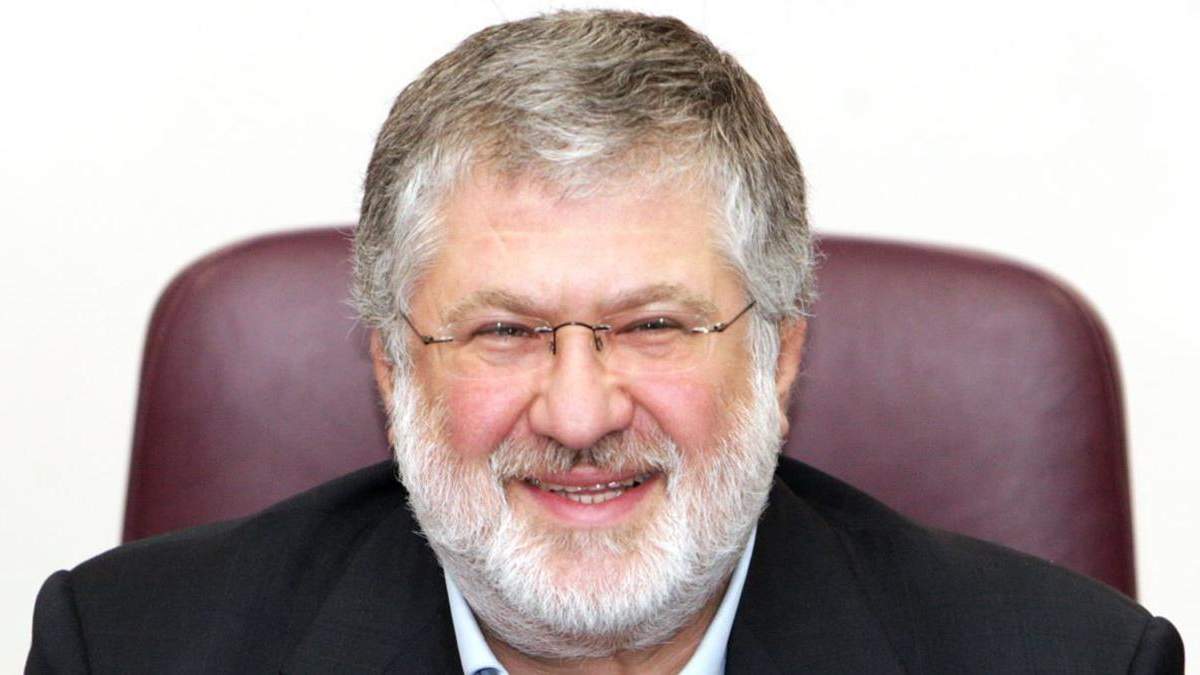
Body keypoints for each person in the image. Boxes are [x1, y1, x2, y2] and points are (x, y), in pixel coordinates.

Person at [27, 10, 1183, 674]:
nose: (580, 416)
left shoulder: (1075, 666)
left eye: (653, 326)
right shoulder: (123, 653)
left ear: (780, 353)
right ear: (391, 365)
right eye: (504, 331)